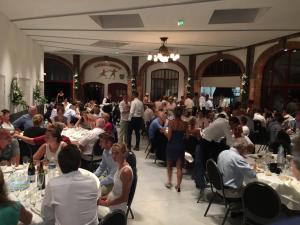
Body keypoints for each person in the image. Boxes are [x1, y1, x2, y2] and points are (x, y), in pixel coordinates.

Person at [41, 144, 99, 225]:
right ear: (79, 164)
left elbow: (46, 216)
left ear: (59, 165)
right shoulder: (92, 182)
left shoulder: (53, 185)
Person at [97, 143, 133, 218]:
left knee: (90, 209)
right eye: (112, 153)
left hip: (117, 210)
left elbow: (124, 198)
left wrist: (106, 203)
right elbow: (114, 190)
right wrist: (103, 198)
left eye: (117, 153)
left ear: (124, 154)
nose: (113, 156)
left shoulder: (126, 171)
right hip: (111, 201)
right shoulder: (119, 165)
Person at [164, 106, 188, 192]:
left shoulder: (171, 123)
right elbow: (187, 136)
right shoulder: (185, 123)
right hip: (180, 145)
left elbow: (169, 137)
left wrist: (164, 132)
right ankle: (178, 185)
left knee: (169, 165)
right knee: (179, 167)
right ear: (181, 113)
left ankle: (169, 182)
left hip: (171, 145)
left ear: (174, 113)